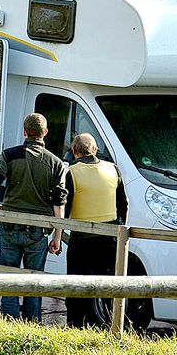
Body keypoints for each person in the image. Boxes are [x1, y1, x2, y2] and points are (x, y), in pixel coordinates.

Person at [0, 112, 68, 322]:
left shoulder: (9, 155)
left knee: (9, 281)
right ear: (45, 133)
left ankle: (10, 324)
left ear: (24, 132)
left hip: (10, 227)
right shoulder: (56, 164)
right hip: (38, 233)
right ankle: (32, 325)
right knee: (34, 282)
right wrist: (57, 237)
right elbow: (59, 206)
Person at [63, 133, 127, 328]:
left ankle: (76, 324)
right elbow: (123, 204)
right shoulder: (113, 170)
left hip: (81, 239)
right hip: (108, 239)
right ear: (95, 149)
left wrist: (60, 231)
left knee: (76, 284)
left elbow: (66, 207)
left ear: (74, 152)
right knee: (108, 284)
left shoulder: (72, 172)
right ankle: (110, 324)